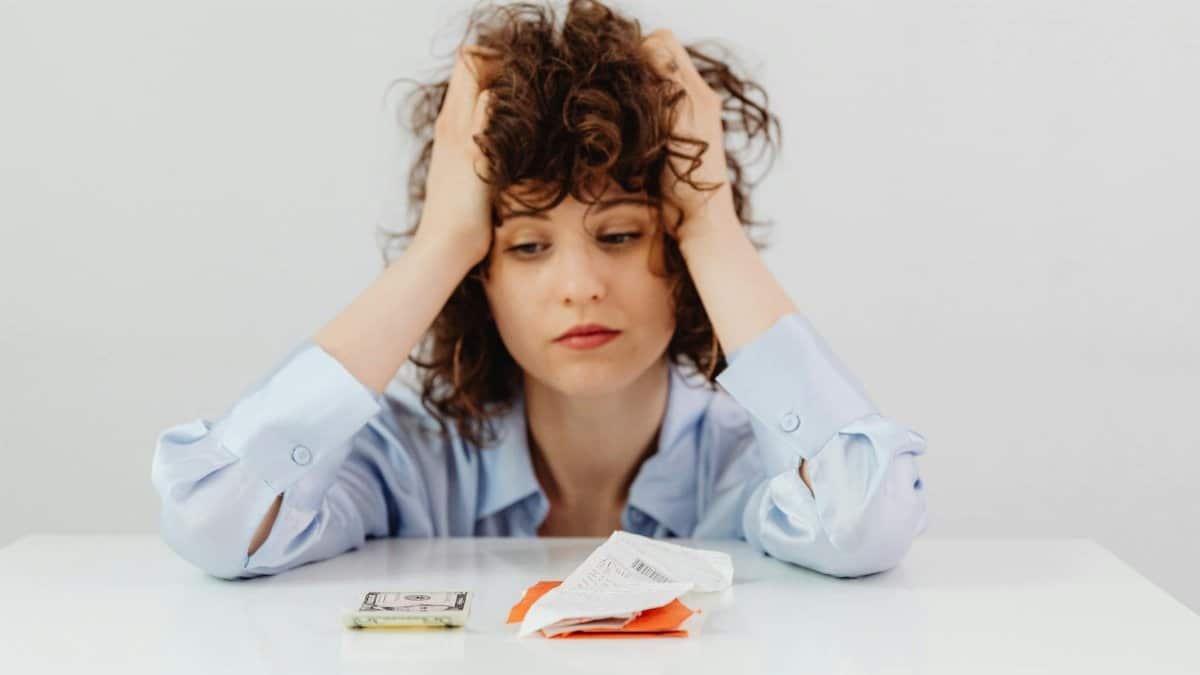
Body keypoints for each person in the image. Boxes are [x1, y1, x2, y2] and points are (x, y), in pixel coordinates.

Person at [150, 0, 928, 581]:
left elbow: (861, 521)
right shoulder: (413, 466)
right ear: (479, 277)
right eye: (527, 246)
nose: (580, 287)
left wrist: (711, 220)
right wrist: (443, 243)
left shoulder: (746, 463)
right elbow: (217, 522)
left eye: (620, 235)